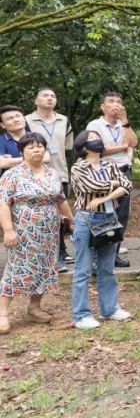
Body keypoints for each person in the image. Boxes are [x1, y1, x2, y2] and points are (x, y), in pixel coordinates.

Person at [0, 133, 74, 333]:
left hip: (49, 231)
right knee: (16, 268)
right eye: (31, 147)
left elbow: (60, 199)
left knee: (45, 267)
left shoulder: (52, 173)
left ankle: (34, 306)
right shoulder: (12, 175)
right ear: (22, 151)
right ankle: (2, 314)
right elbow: (3, 204)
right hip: (23, 231)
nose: (37, 150)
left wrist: (71, 220)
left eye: (40, 146)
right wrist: (8, 231)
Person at [68, 130, 132, 330]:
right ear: (83, 145)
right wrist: (114, 186)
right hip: (87, 220)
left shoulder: (110, 164)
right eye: (92, 138)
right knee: (83, 270)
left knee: (107, 267)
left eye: (98, 137)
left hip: (109, 218)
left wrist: (103, 198)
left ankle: (110, 309)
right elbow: (92, 186)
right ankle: (81, 315)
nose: (98, 141)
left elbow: (128, 184)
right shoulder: (79, 167)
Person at [26, 88, 74, 266]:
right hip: (35, 174)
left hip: (60, 172)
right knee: (43, 213)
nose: (50, 98)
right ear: (35, 101)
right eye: (45, 96)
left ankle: (61, 250)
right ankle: (44, 251)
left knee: (61, 214)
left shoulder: (64, 121)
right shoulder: (26, 121)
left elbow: (67, 146)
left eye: (53, 96)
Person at [85, 92, 133, 267]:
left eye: (119, 102)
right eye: (111, 101)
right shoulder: (95, 124)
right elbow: (97, 148)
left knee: (122, 215)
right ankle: (97, 258)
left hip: (124, 172)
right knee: (103, 214)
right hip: (102, 173)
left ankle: (113, 255)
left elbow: (133, 142)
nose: (116, 104)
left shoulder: (123, 124)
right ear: (102, 106)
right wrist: (123, 147)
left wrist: (126, 121)